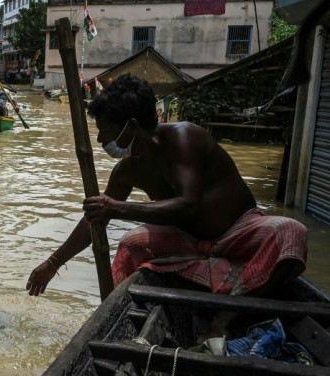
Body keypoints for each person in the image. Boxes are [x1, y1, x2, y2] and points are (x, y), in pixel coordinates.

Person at [26, 74, 307, 299]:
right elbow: (95, 220)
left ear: (132, 126)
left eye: (107, 132)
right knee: (131, 243)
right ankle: (113, 313)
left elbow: (188, 204)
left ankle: (234, 307)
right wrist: (52, 263)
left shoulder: (185, 139)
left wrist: (117, 208)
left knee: (290, 232)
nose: (100, 141)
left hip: (237, 232)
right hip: (188, 242)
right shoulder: (127, 170)